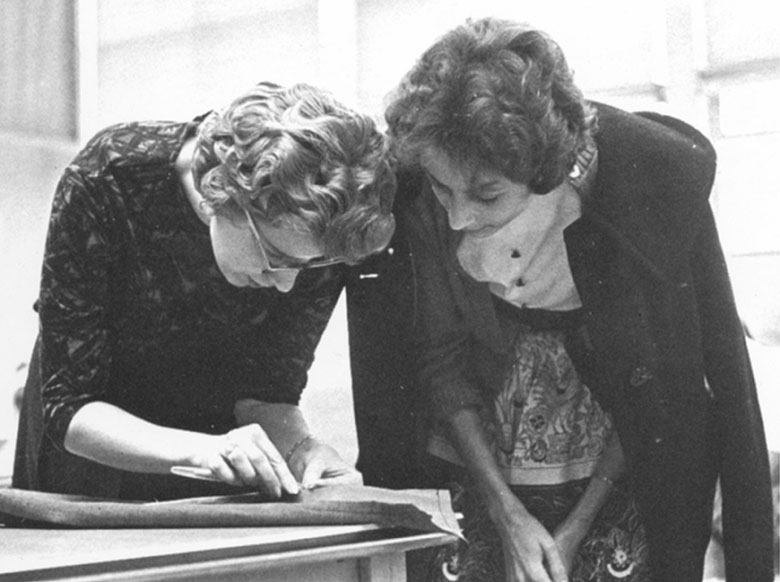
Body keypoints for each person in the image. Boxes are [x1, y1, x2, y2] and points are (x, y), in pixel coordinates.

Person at [370, 17, 773, 582]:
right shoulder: (428, 193)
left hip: (619, 456)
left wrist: (581, 524)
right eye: (443, 188)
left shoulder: (643, 187)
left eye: (488, 195)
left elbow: (667, 381)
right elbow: (443, 361)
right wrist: (507, 513)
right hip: (479, 447)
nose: (458, 217)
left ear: (547, 171)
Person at [13, 81, 396, 502]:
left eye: (305, 267)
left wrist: (305, 450)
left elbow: (268, 394)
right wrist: (204, 450)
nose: (287, 283)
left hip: (222, 454)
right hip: (92, 449)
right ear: (224, 194)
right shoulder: (108, 175)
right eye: (275, 256)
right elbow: (68, 406)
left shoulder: (318, 233)